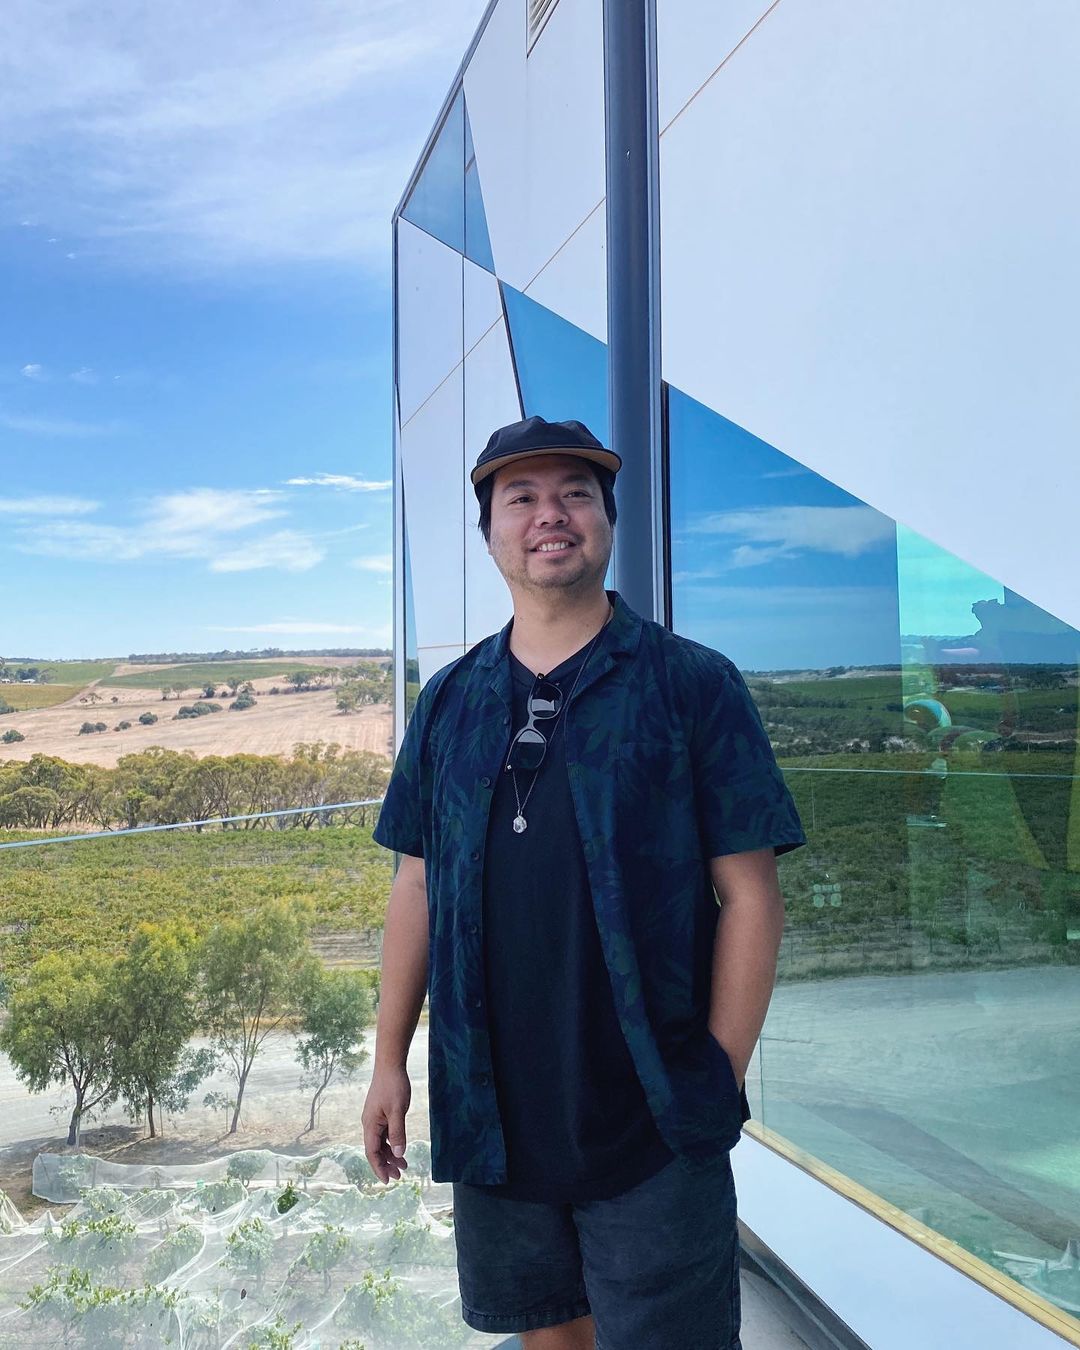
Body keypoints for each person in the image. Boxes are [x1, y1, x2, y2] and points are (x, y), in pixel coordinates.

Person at [363, 416, 806, 1349]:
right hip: (493, 1110)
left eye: (575, 494)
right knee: (548, 1334)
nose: (550, 515)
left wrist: (716, 1075)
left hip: (653, 1114)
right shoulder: (448, 702)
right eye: (521, 497)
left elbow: (752, 896)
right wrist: (389, 1060)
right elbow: (416, 887)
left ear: (607, 520)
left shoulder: (692, 685)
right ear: (490, 533)